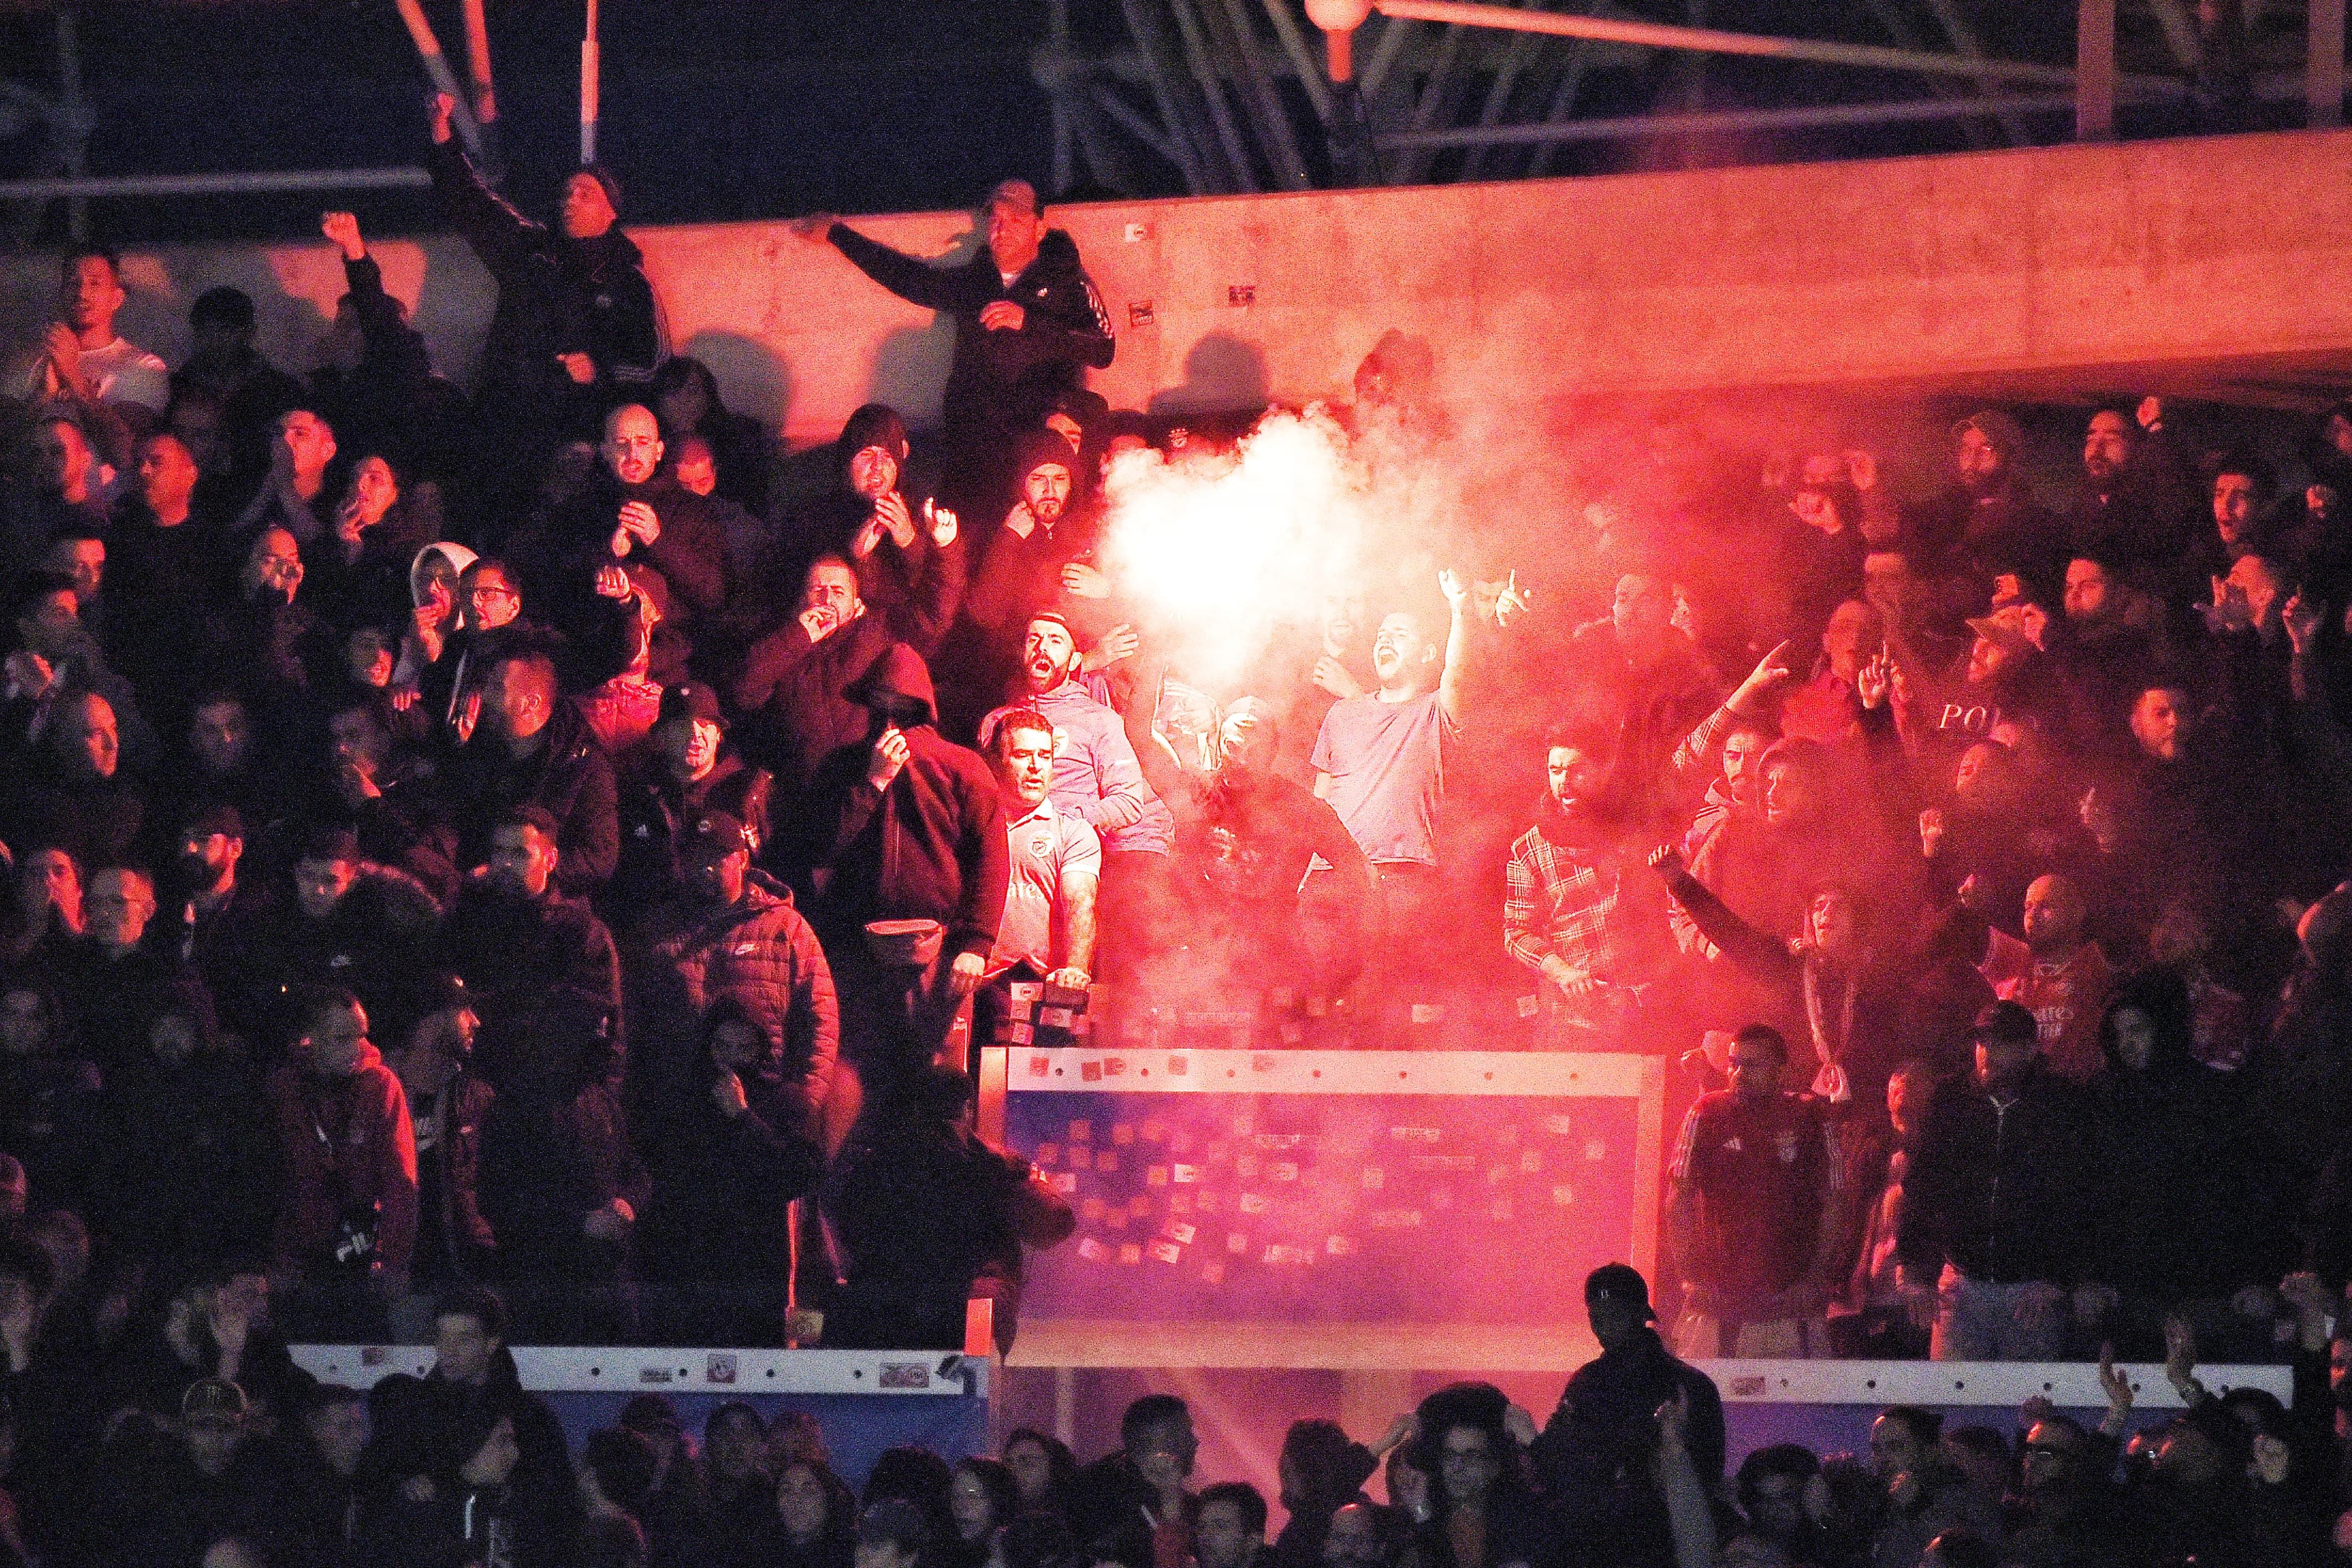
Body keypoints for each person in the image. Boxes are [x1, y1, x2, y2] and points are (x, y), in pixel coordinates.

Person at [795, 180, 1114, 489]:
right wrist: (837, 235)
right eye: (995, 220)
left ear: (1039, 228)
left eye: (1015, 220)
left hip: (1037, 445)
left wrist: (1030, 323)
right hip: (972, 443)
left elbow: (1104, 349)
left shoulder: (1069, 282)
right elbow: (909, 279)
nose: (1001, 229)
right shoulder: (974, 282)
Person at [795, 643, 1007, 1100]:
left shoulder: (961, 767)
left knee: (936, 1091)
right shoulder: (843, 766)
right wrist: (870, 784)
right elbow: (820, 849)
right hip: (858, 952)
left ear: (922, 708)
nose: (890, 717)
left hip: (939, 952)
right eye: (880, 704)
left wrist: (976, 944)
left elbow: (991, 857)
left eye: (902, 706)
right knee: (855, 1086)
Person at [426, 90, 660, 479]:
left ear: (611, 210)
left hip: (574, 425)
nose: (572, 199)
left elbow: (647, 357)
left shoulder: (627, 279)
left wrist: (597, 365)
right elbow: (474, 207)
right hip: (506, 412)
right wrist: (442, 138)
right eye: (568, 192)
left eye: (586, 194)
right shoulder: (532, 250)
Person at [1896, 1001, 2109, 1360]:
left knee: (2028, 1408)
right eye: (1982, 1042)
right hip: (1961, 1282)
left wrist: (2061, 1278)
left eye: (2001, 1043)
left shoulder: (2062, 1104)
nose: (1988, 1053)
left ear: (2029, 1049)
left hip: (2033, 1290)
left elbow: (2083, 1197)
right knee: (1955, 1404)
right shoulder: (1950, 1100)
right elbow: (1922, 1187)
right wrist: (1913, 1268)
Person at [820, 1064, 1073, 1353]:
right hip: (889, 1317)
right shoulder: (994, 1234)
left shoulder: (920, 1144)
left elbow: (855, 1203)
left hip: (872, 1288)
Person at [1663, 1024, 1849, 1358]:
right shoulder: (1706, 1113)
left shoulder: (1812, 1116)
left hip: (1792, 1298)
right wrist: (1690, 1275)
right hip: (1720, 1299)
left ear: (1782, 1071)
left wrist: (1816, 1278)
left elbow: (1835, 1203)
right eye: (1735, 1063)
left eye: (1753, 1065)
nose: (1739, 1073)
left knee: (1796, 1406)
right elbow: (1679, 1199)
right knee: (1710, 1402)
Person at [1529, 1265, 1723, 1568]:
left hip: (1663, 1543)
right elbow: (1556, 1461)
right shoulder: (1587, 1383)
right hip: (1595, 1543)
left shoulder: (1687, 1386)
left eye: (1615, 1314)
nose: (1605, 1327)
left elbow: (1705, 1479)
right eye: (1597, 1317)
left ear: (1639, 1314)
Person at [1505, 727, 1674, 1049]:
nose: (1564, 781)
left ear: (1601, 772)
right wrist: (1565, 973)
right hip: (1572, 1020)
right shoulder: (1528, 849)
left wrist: (1748, 691)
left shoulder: (1630, 826)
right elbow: (1516, 932)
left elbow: (1687, 760)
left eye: (1576, 770)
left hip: (1642, 1006)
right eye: (1555, 771)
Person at [267, 986, 419, 1339]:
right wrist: (276, 1259)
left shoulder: (380, 1085)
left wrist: (395, 1261)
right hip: (300, 1261)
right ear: (311, 1039)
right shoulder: (284, 1088)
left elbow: (401, 1182)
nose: (357, 1047)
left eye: (361, 1035)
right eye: (342, 1039)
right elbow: (269, 1178)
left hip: (362, 1259)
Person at [977, 707, 1100, 998]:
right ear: (997, 763)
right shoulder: (974, 826)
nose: (1036, 766)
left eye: (1045, 756)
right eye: (1022, 755)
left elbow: (1079, 903)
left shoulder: (1073, 832)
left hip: (1039, 987)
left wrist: (1075, 970)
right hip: (975, 984)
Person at [1068, 1394, 1198, 1568]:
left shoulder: (1191, 1504)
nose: (1196, 1442)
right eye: (1187, 1433)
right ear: (1162, 1439)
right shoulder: (1096, 1494)